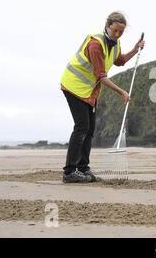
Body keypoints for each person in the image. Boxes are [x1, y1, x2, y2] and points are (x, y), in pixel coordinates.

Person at [60, 11, 145, 183]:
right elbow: (101, 76)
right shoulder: (95, 44)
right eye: (115, 30)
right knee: (82, 127)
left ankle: (83, 169)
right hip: (73, 85)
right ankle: (69, 172)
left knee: (90, 130)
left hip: (88, 90)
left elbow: (119, 60)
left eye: (121, 32)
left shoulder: (115, 43)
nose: (118, 34)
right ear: (107, 25)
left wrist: (135, 50)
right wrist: (122, 92)